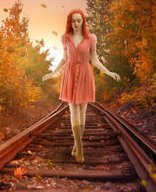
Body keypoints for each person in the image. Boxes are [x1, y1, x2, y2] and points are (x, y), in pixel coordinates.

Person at [42, 9, 121, 163]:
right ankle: (79, 146)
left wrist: (109, 72)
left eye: (79, 20)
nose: (76, 23)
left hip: (85, 74)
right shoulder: (65, 38)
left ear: (83, 21)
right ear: (69, 22)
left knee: (83, 111)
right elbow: (64, 59)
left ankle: (75, 146)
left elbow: (95, 60)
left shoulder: (91, 38)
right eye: (73, 21)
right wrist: (52, 73)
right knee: (73, 110)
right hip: (70, 74)